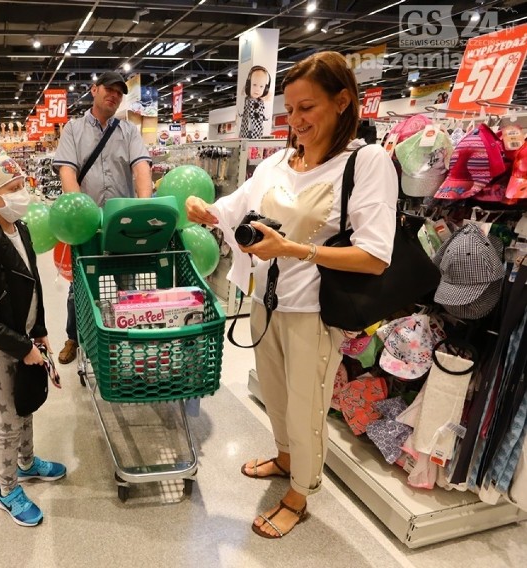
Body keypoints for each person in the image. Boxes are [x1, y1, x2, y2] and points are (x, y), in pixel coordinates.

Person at [187, 51, 397, 539]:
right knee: (277, 397)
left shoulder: (365, 163)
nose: (297, 121)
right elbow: (235, 205)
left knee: (306, 407)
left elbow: (375, 255)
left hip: (314, 313)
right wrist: (206, 209)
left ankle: (301, 493)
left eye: (309, 108)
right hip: (268, 302)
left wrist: (295, 250)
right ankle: (285, 459)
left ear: (343, 101)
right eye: (291, 110)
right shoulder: (281, 160)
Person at [0, 154, 66, 527]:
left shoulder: (18, 227)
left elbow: (32, 280)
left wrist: (39, 332)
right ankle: (6, 490)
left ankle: (27, 463)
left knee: (26, 404)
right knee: (8, 420)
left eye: (22, 185)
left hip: (24, 335)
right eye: (14, 188)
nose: (24, 195)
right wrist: (22, 348)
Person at [52, 71, 153, 364]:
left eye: (119, 93)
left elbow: (142, 166)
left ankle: (122, 336)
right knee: (80, 284)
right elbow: (67, 170)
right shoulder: (73, 129)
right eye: (109, 89)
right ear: (94, 90)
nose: (114, 95)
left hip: (122, 225)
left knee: (126, 280)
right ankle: (74, 337)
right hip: (87, 225)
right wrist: (81, 211)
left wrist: (143, 206)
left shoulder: (130, 131)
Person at [239, 65, 272, 138]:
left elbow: (267, 117)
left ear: (265, 88)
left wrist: (267, 100)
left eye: (261, 86)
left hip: (258, 134)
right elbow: (240, 113)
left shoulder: (262, 102)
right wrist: (242, 95)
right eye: (254, 85)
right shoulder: (247, 100)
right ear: (248, 85)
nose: (257, 89)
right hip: (245, 134)